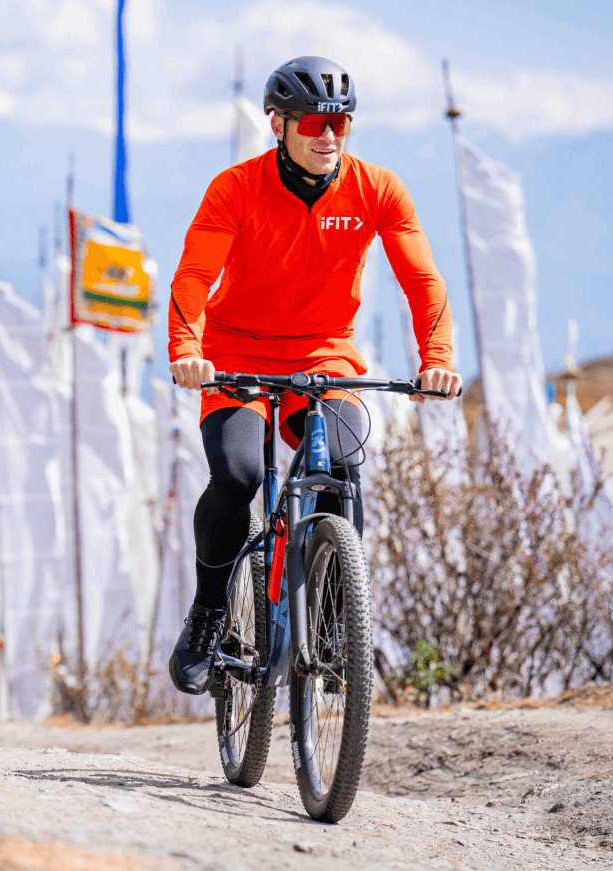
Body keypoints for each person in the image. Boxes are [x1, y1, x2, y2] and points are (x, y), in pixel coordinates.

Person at [168, 56, 463, 695]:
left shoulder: (378, 189)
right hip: (236, 354)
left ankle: (333, 620)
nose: (328, 135)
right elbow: (194, 276)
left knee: (342, 468)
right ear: (278, 124)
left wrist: (436, 359)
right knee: (240, 474)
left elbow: (422, 280)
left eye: (341, 122)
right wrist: (188, 346)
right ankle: (209, 611)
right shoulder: (235, 188)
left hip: (324, 359)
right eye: (313, 122)